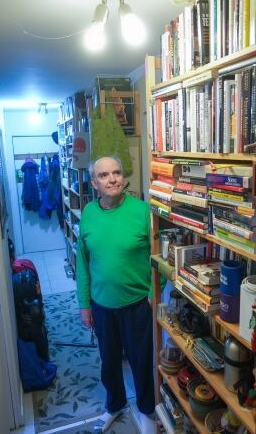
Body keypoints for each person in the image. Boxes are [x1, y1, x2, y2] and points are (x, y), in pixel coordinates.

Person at [76, 156, 155, 433]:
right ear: (94, 182)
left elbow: (157, 256)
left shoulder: (143, 211)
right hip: (101, 305)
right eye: (104, 175)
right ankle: (115, 405)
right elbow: (83, 262)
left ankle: (147, 410)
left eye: (117, 172)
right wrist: (84, 304)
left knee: (141, 361)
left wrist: (151, 292)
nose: (112, 179)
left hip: (137, 305)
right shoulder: (88, 213)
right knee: (109, 362)